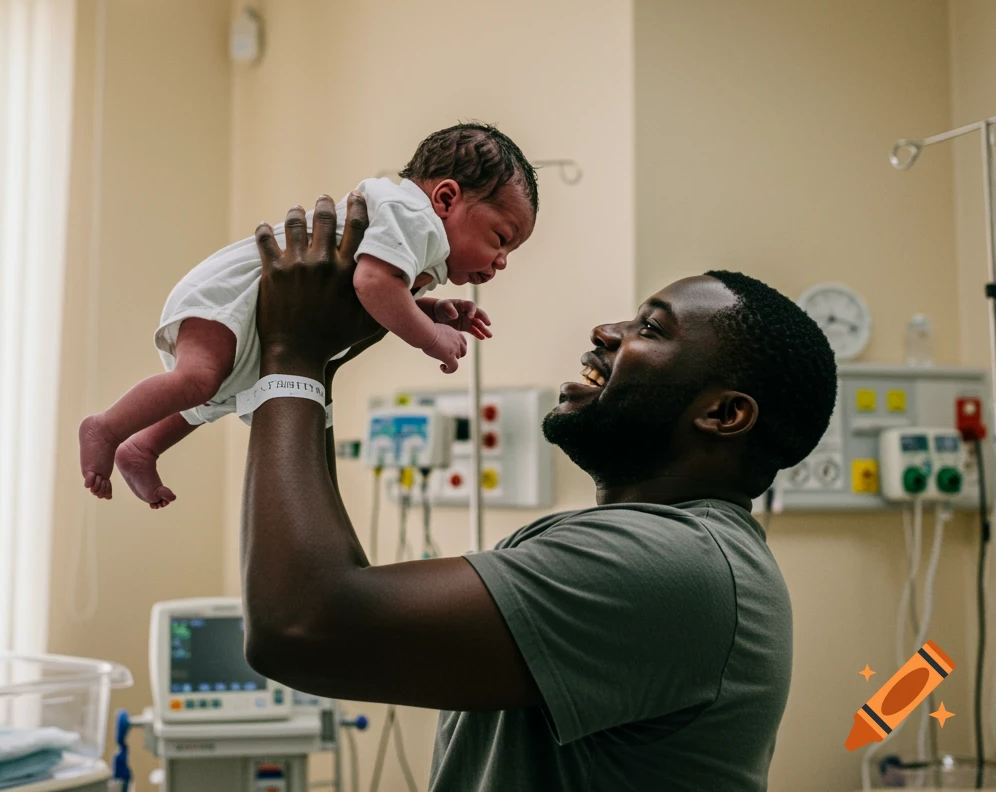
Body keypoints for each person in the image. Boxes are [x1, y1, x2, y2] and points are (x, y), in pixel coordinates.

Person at [240, 194, 838, 792]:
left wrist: (294, 353)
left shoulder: (677, 565)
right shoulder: (642, 546)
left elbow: (301, 625)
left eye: (650, 329)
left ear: (724, 413)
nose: (607, 330)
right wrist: (319, 367)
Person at [78, 124, 537, 508]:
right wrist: (431, 337)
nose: (500, 261)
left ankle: (143, 445)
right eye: (500, 238)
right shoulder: (413, 217)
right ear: (445, 198)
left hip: (264, 310)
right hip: (236, 291)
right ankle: (108, 426)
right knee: (199, 379)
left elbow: (374, 290)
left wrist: (430, 308)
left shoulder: (418, 244)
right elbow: (374, 285)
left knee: (213, 391)